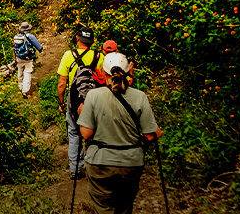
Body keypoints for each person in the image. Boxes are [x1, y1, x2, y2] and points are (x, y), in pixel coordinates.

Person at [78, 52, 162, 214]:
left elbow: (86, 134)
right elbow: (150, 136)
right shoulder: (140, 97)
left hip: (100, 163)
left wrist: (84, 115)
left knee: (104, 208)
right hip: (131, 163)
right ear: (129, 72)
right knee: (124, 207)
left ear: (103, 73)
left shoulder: (93, 96)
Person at [57, 25, 104, 179]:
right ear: (92, 41)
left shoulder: (68, 55)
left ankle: (75, 171)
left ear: (77, 38)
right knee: (94, 135)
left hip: (74, 103)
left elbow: (62, 83)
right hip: (95, 102)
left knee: (74, 134)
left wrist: (61, 102)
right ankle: (94, 169)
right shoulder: (99, 56)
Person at [13, 21, 43, 98]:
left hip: (19, 58)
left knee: (20, 73)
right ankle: (25, 91)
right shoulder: (31, 36)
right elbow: (39, 47)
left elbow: (14, 48)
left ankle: (20, 87)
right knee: (27, 73)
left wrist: (15, 59)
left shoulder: (16, 37)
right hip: (28, 59)